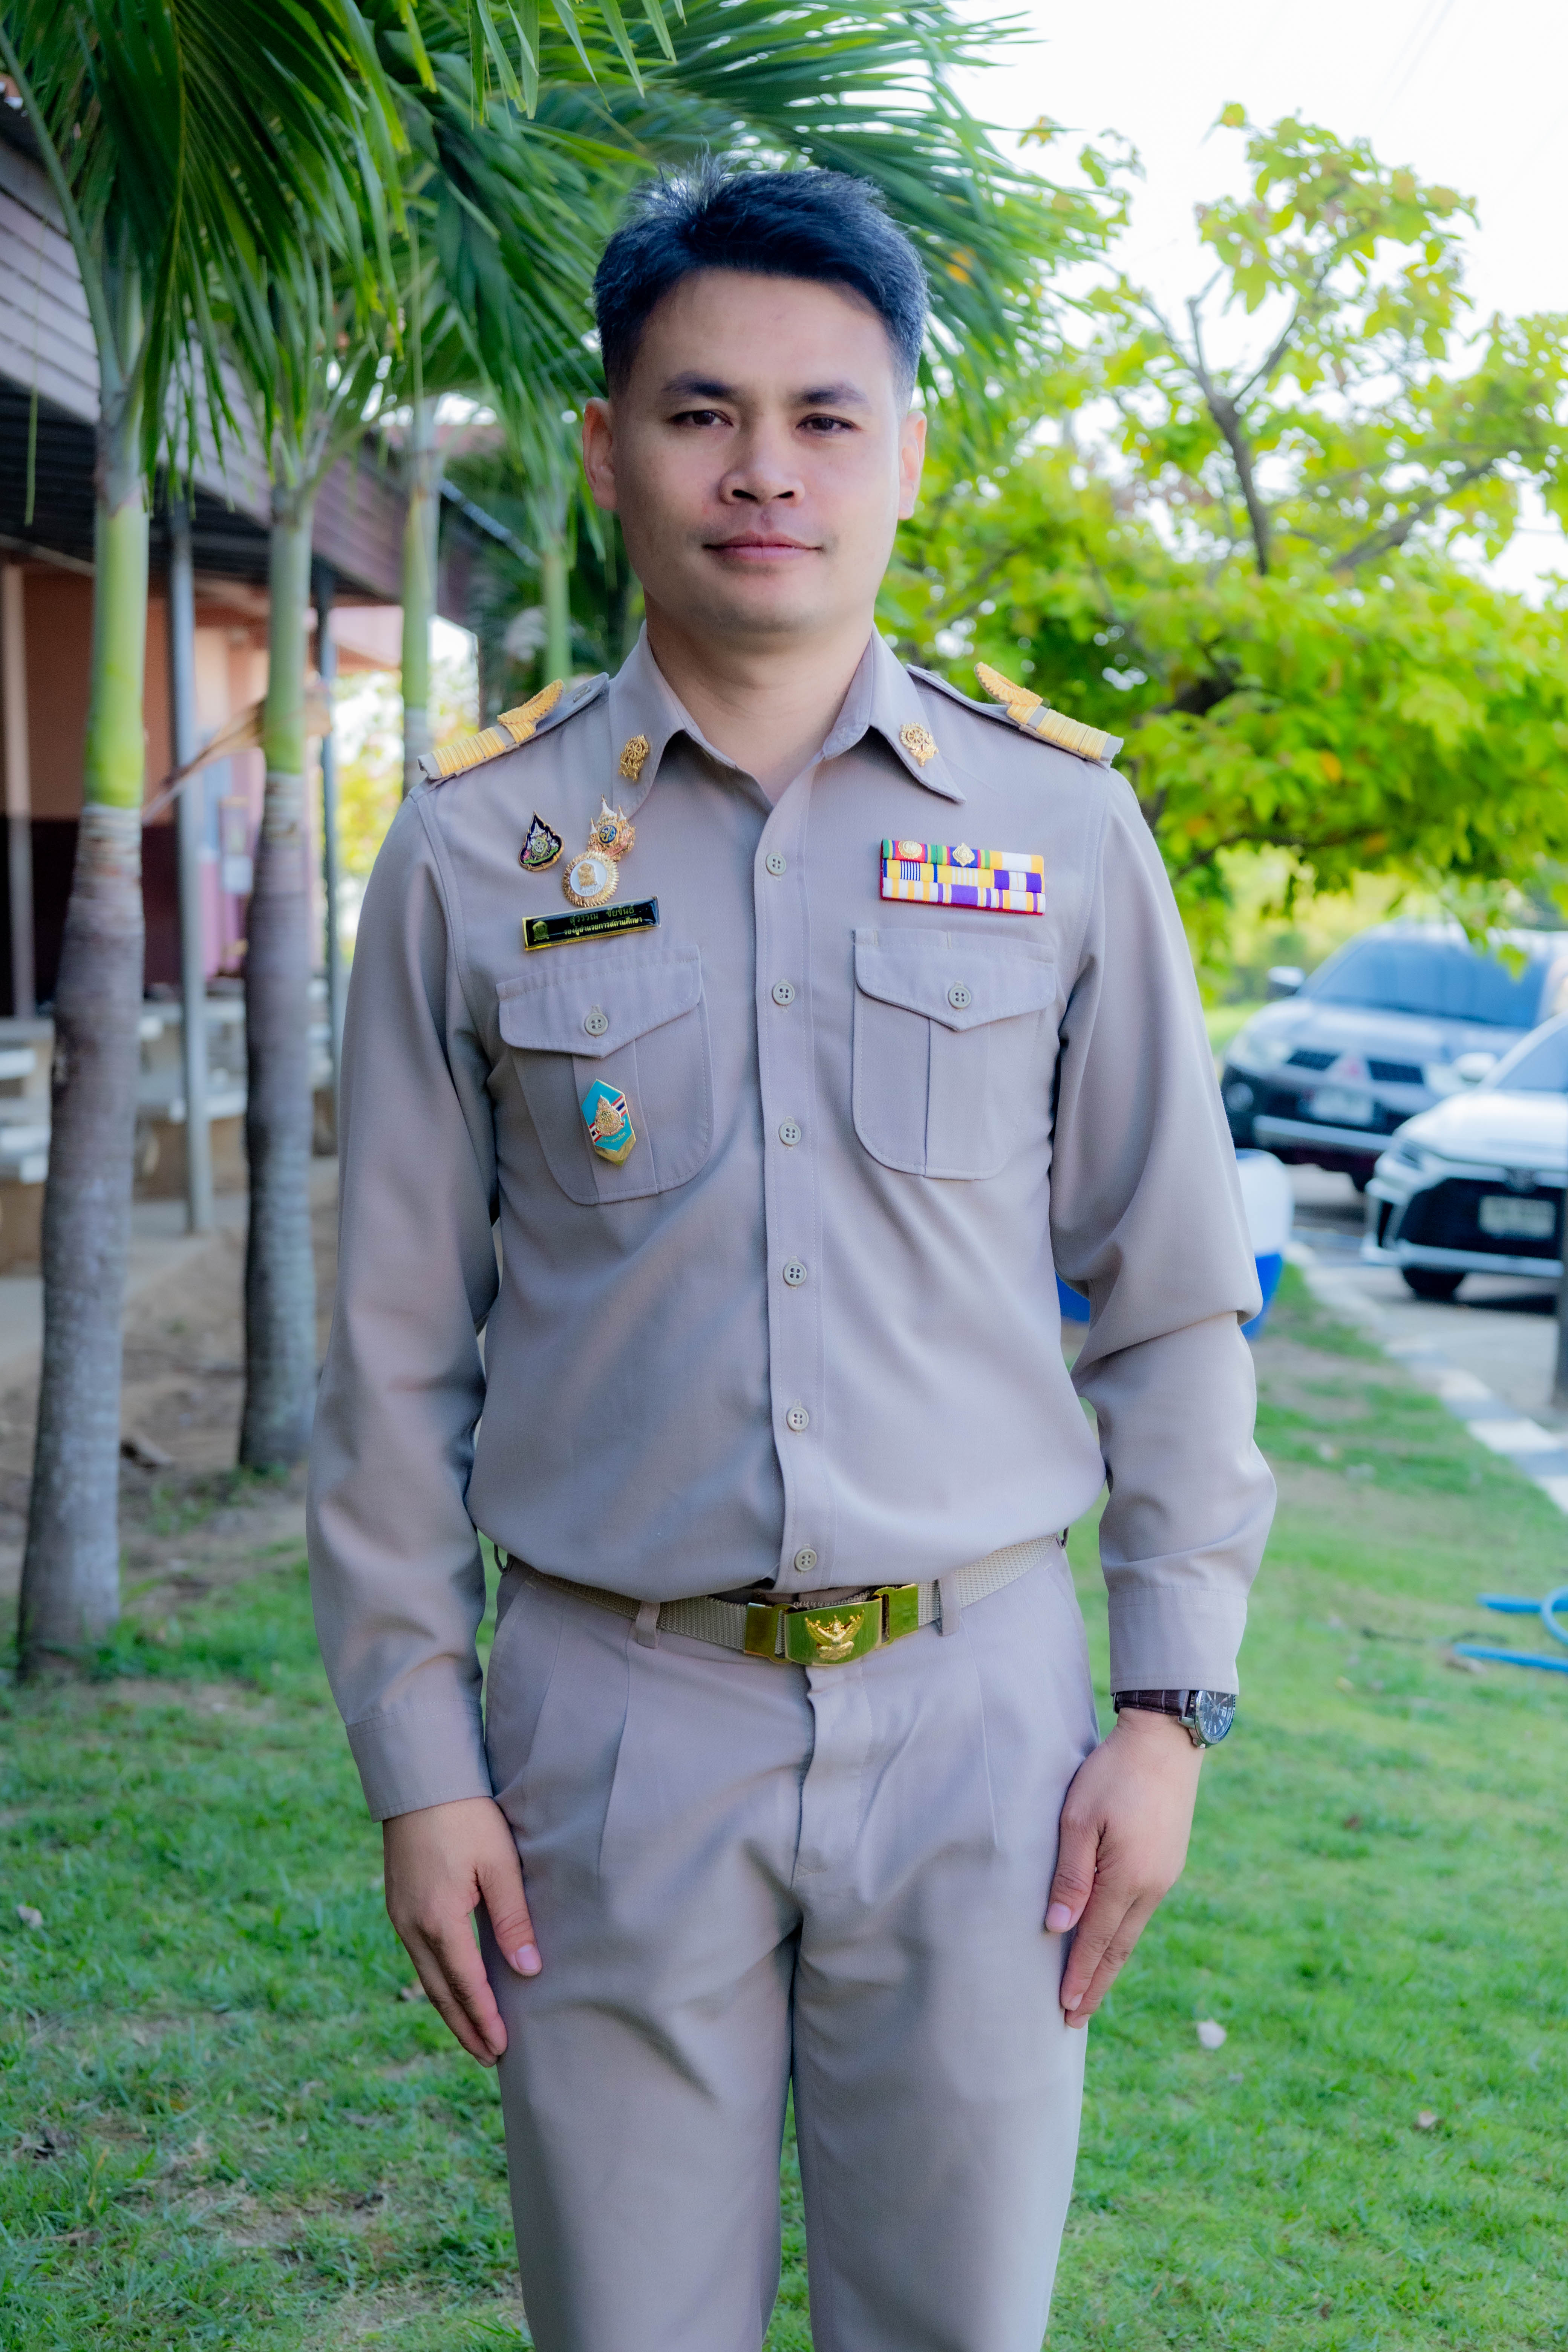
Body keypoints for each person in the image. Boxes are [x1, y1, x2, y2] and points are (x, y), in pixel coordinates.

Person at [308, 161, 1275, 2352]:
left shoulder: (1059, 825)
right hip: (611, 1726)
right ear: (605, 449)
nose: (766, 471)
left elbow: (1174, 1299)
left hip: (985, 1731)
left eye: (828, 417)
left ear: (907, 453)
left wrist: (1165, 1712)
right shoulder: (472, 849)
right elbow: (392, 1356)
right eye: (702, 413)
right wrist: (422, 1761)